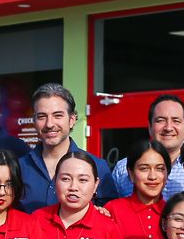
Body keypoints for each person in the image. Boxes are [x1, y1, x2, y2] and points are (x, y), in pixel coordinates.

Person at [17, 82, 117, 212]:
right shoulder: (19, 167)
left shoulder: (98, 167)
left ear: (72, 120)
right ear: (34, 121)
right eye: (42, 117)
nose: (49, 124)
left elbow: (110, 215)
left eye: (57, 115)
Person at [110, 94, 184, 199]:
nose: (168, 127)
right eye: (160, 120)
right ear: (150, 127)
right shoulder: (122, 169)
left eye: (176, 121)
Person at [105, 137, 172, 239]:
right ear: (131, 173)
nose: (152, 176)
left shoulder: (174, 212)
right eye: (144, 168)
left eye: (160, 169)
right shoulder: (113, 210)